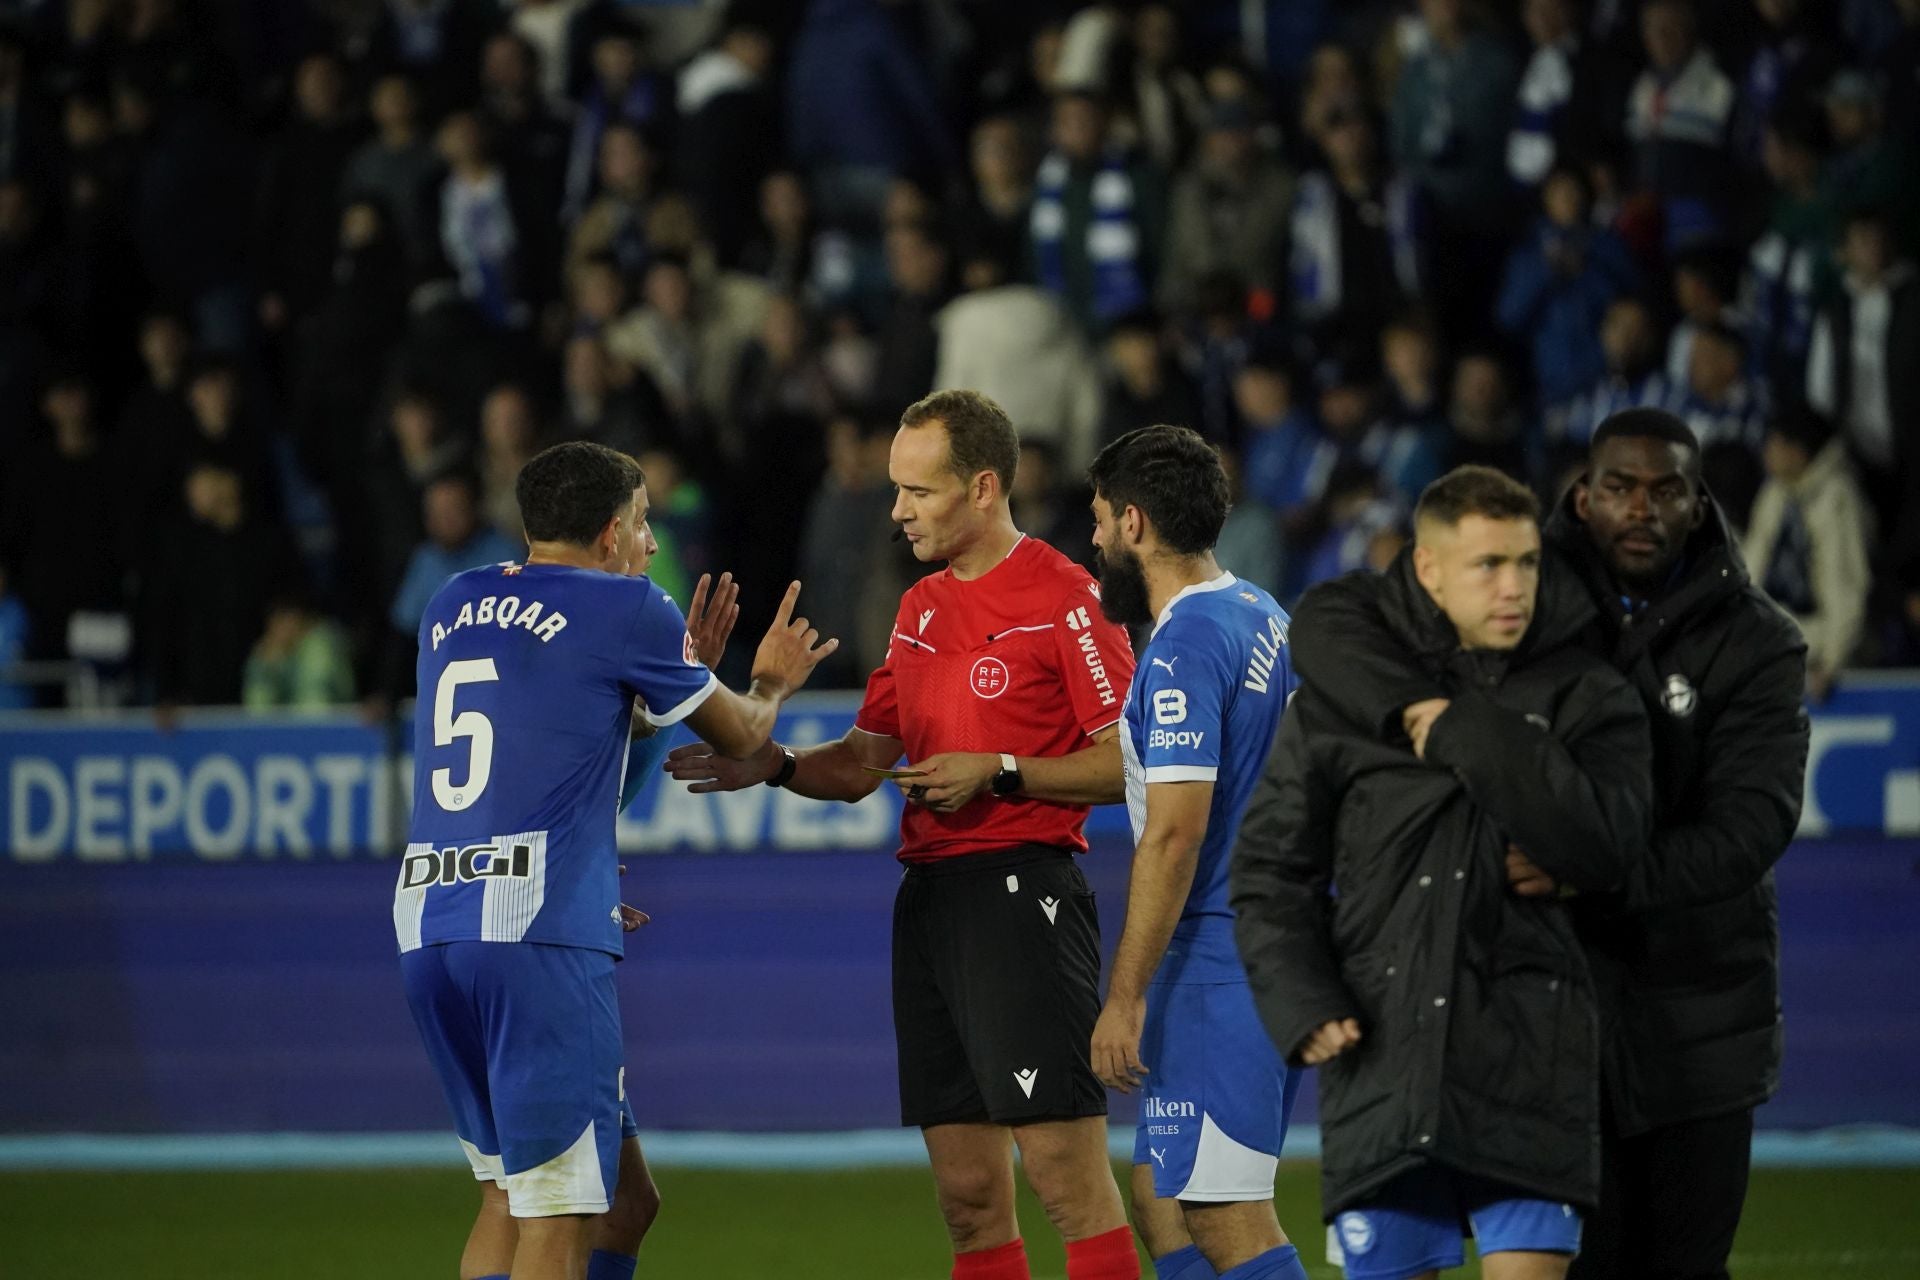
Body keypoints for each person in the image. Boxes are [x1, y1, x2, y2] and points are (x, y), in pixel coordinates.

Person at [1284, 412, 1811, 1280]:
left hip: (1700, 1017)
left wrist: (1594, 871)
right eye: (1619, 488)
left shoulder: (1756, 642)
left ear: (1698, 502)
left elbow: (1750, 829)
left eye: (1665, 490)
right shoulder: (1517, 587)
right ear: (1583, 494)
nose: (1641, 509)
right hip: (1549, 1018)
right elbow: (1333, 621)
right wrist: (1429, 713)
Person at [667, 390, 1145, 1280]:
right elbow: (857, 764)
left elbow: (1130, 766)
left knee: (1066, 1190)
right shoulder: (919, 606)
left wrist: (1000, 769)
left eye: (918, 491)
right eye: (896, 489)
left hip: (1023, 896)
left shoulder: (1069, 599)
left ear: (985, 487)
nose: (896, 510)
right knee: (968, 1203)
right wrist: (768, 764)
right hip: (929, 905)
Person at [396, 441, 835, 1280]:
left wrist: (668, 691)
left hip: (432, 919)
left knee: (584, 1201)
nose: (652, 544)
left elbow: (561, 765)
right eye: (642, 524)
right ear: (608, 534)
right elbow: (744, 735)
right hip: (538, 934)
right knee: (559, 1212)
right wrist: (770, 684)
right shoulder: (628, 608)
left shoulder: (453, 603)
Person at [1232, 465, 1655, 1280]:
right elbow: (1268, 870)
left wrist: (1458, 730)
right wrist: (1303, 999)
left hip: (1534, 1059)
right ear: (1428, 570)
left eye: (1526, 563)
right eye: (1487, 565)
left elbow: (1616, 846)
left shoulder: (1588, 693)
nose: (1513, 587)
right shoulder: (1344, 700)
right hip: (1381, 1053)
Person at [1083, 426, 1309, 1280]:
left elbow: (1176, 831)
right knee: (1161, 1200)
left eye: (1100, 520)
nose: (1094, 540)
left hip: (1225, 948)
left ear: (1134, 522)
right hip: (1271, 936)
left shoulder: (1182, 646)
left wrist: (1127, 994)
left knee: (1225, 1217)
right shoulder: (1259, 612)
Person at [1743, 403, 1872, 702]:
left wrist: (1832, 662)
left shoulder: (1836, 497)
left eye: (1774, 444)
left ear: (1797, 451)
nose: (1767, 453)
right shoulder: (1775, 494)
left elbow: (1846, 585)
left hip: (1820, 656)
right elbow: (1750, 570)